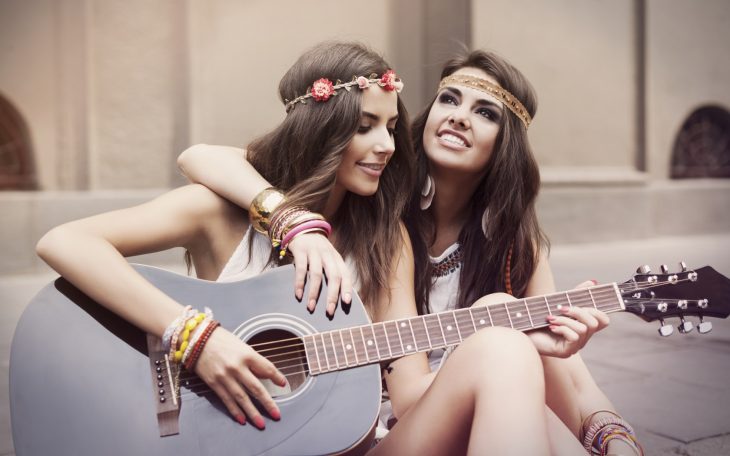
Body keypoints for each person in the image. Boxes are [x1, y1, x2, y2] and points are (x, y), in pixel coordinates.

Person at [35, 41, 586, 455]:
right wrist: (198, 340)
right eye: (366, 126)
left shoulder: (384, 238)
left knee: (503, 347)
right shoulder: (222, 213)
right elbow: (65, 241)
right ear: (323, 128)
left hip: (347, 447)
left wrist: (491, 329)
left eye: (392, 127)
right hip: (217, 441)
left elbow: (413, 396)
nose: (386, 146)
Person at [178, 49, 643, 455]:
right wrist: (290, 221)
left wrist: (613, 433)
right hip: (404, 415)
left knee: (505, 323)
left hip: (494, 397)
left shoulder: (512, 243)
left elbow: (570, 368)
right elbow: (201, 157)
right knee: (501, 324)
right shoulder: (377, 204)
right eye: (450, 99)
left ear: (508, 144)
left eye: (486, 112)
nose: (460, 116)